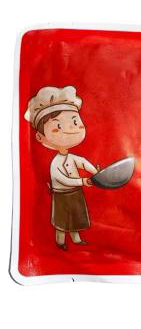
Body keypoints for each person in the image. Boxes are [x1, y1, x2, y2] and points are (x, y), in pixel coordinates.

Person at [24, 86, 98, 250]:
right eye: (58, 126)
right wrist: (82, 181)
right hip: (62, 195)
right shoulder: (55, 163)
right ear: (40, 137)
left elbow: (83, 162)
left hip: (76, 193)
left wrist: (95, 171)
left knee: (75, 219)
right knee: (62, 221)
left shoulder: (72, 157)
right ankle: (60, 242)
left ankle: (76, 240)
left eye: (75, 122)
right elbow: (62, 179)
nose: (71, 129)